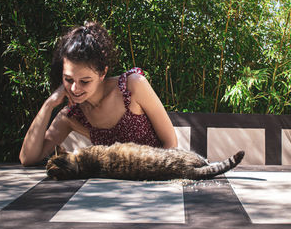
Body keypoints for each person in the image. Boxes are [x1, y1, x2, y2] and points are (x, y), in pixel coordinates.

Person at [19, 22, 177, 166]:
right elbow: (28, 158)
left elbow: (171, 142)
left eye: (85, 81)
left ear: (102, 73)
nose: (74, 89)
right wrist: (49, 104)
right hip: (108, 188)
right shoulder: (72, 115)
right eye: (68, 79)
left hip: (155, 181)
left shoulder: (132, 87)